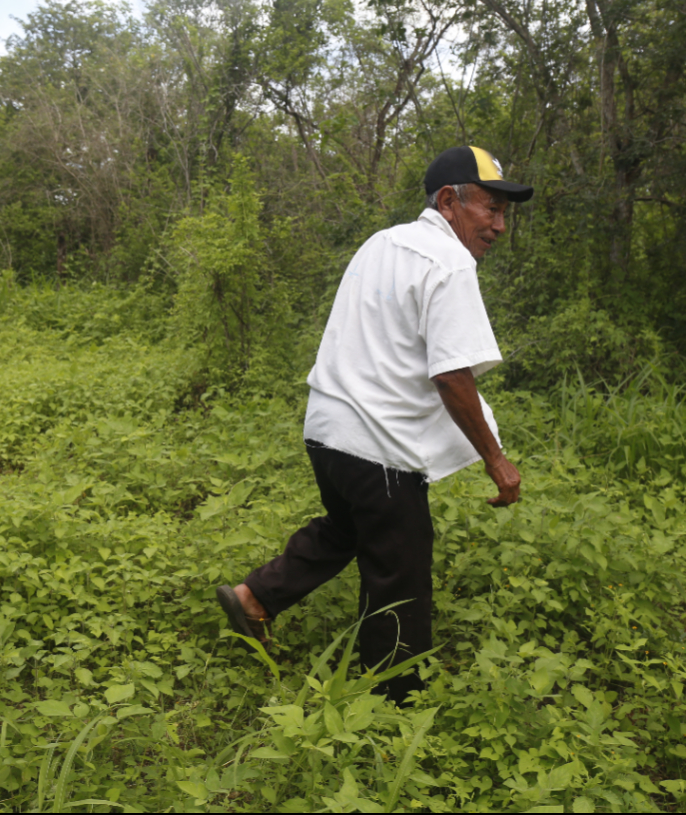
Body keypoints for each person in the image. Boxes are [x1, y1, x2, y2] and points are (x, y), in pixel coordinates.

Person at [216, 145, 532, 703]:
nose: (499, 225)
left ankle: (253, 599)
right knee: (401, 572)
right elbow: (452, 375)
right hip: (380, 447)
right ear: (449, 201)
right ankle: (392, 702)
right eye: (491, 208)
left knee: (347, 529)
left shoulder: (383, 242)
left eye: (505, 212)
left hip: (328, 429)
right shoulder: (449, 262)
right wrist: (496, 459)